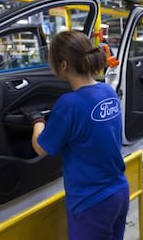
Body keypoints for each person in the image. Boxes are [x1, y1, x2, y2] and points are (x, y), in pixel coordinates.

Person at [26, 30, 129, 240]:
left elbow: (40, 147)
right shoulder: (108, 92)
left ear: (63, 65)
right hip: (118, 192)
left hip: (91, 203)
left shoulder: (69, 104)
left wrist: (36, 120)